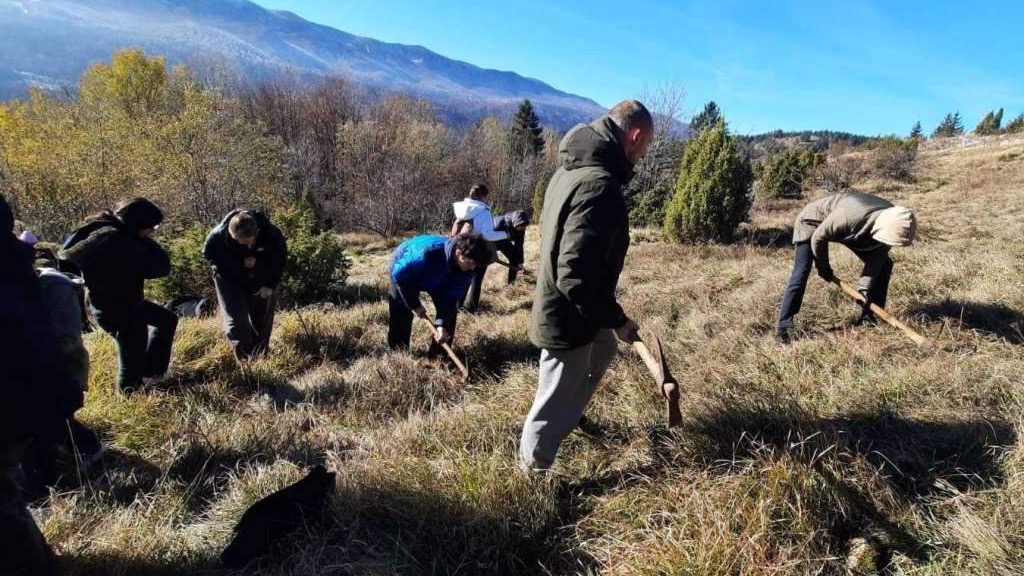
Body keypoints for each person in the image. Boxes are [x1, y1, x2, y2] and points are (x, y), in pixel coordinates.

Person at [519, 100, 654, 472]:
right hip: (568, 316)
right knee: (551, 403)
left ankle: (572, 414)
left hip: (579, 310)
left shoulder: (570, 170)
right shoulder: (598, 185)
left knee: (604, 348)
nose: (643, 156)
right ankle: (532, 477)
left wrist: (608, 320)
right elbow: (575, 274)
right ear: (635, 135)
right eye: (645, 147)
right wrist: (618, 318)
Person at [0, 194, 83, 575]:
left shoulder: (34, 281)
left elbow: (57, 340)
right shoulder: (15, 266)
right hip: (31, 394)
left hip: (17, 398)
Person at [60, 198, 177, 394]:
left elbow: (66, 257)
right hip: (121, 312)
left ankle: (151, 373)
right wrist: (143, 239)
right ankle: (131, 398)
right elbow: (161, 267)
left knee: (166, 319)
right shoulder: (119, 242)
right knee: (130, 370)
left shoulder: (101, 229)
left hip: (112, 304)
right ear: (137, 224)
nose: (152, 231)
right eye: (151, 227)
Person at [776, 190, 917, 344]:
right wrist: (824, 269)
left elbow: (876, 260)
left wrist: (863, 290)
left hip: (857, 229)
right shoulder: (848, 216)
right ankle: (784, 328)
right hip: (812, 221)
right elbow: (818, 237)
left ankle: (869, 317)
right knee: (802, 270)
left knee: (885, 265)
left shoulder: (895, 221)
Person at [18, 246, 103, 495]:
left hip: (59, 368)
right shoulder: (18, 287)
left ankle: (42, 492)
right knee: (52, 420)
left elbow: (67, 338)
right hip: (33, 370)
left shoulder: (54, 286)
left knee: (44, 420)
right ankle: (86, 448)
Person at [387, 233, 492, 356]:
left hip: (440, 277)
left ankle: (438, 356)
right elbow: (402, 277)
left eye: (476, 265)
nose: (472, 268)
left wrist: (441, 324)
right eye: (471, 263)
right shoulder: (426, 255)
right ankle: (398, 352)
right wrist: (414, 304)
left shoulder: (467, 271)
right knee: (401, 310)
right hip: (405, 267)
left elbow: (451, 298)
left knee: (450, 315)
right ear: (458, 253)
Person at [203, 210, 287, 361]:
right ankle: (245, 361)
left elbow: (279, 260)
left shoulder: (272, 234)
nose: (244, 244)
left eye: (248, 240)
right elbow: (210, 257)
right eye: (239, 240)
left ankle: (261, 358)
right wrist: (239, 262)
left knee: (261, 319)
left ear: (257, 232)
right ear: (230, 232)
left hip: (261, 276)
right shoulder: (217, 237)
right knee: (236, 321)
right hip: (228, 277)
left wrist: (269, 285)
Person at [452, 184, 507, 311]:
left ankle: (457, 306)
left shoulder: (463, 208)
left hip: (460, 248)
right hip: (477, 248)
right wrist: (505, 234)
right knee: (477, 279)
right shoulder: (483, 211)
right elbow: (488, 235)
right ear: (483, 196)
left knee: (463, 277)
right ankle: (472, 307)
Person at [493, 210, 530, 285]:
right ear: (515, 223)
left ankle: (511, 284)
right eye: (522, 227)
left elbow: (519, 245)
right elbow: (487, 237)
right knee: (482, 266)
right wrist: (492, 254)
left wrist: (520, 262)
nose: (523, 229)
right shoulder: (498, 224)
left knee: (515, 260)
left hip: (504, 242)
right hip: (491, 242)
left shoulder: (521, 229)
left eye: (524, 227)